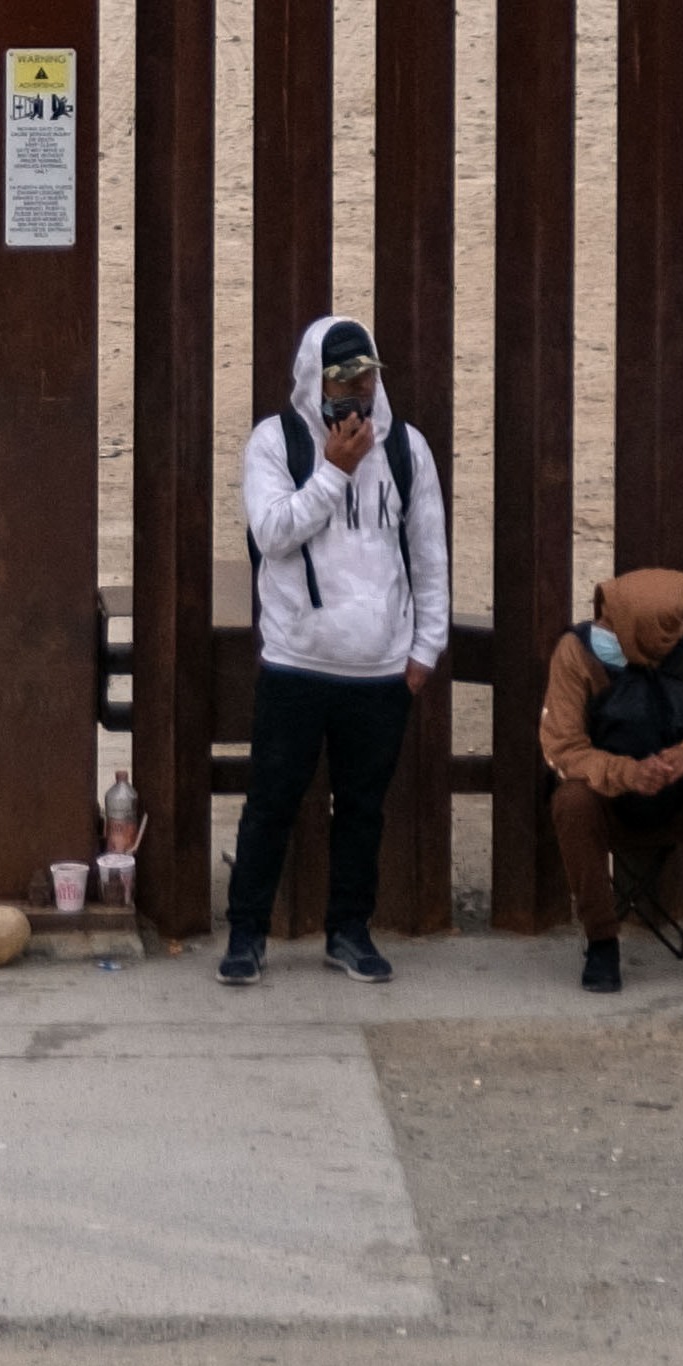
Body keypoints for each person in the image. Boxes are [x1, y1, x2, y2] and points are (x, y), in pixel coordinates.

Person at [218, 315, 446, 988]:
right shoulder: (274, 443)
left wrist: (423, 650)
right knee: (272, 801)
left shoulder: (407, 449)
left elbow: (427, 554)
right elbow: (272, 531)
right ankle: (245, 933)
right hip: (297, 661)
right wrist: (332, 472)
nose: (356, 395)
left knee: (363, 810)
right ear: (312, 382)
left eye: (367, 379)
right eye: (342, 381)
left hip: (380, 668)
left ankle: (349, 931)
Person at [542, 569, 683, 995]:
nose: (605, 627)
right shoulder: (577, 652)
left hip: (681, 797)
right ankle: (601, 940)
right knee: (571, 800)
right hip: (610, 800)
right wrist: (627, 773)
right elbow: (563, 749)